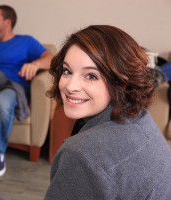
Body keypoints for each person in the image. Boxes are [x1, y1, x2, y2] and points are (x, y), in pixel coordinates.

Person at [45, 25, 171, 199]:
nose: (70, 86)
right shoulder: (141, 120)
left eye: (91, 76)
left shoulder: (82, 155)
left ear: (121, 81)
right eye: (67, 71)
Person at [0, 4, 53, 177]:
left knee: (1, 102)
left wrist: (36, 64)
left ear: (7, 22)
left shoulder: (26, 42)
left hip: (11, 88)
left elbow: (51, 57)